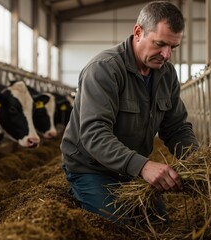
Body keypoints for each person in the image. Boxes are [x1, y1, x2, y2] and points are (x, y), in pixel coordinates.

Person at [60, 1, 199, 224]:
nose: (166, 55)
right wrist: (143, 166)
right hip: (91, 168)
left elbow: (177, 128)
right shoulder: (104, 69)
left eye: (173, 47)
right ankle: (82, 191)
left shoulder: (167, 74)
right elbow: (94, 134)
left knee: (159, 223)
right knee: (119, 225)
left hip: (129, 169)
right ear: (138, 32)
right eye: (160, 44)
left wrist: (198, 162)